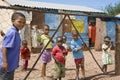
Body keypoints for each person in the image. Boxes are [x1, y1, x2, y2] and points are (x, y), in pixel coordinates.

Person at [0, 12, 26, 80]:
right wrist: (5, 62)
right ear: (13, 21)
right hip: (6, 65)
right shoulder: (13, 32)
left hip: (10, 65)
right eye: (19, 22)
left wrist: (4, 35)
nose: (22, 24)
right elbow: (4, 47)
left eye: (24, 22)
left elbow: (8, 41)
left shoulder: (15, 32)